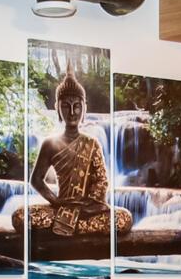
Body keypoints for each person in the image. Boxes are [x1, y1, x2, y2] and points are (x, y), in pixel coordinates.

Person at [13, 70, 133, 237]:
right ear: (57, 108)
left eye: (77, 106)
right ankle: (77, 226)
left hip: (88, 209)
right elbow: (36, 180)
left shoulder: (92, 143)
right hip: (62, 207)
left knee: (123, 219)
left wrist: (87, 205)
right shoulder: (50, 144)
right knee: (20, 217)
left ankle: (68, 226)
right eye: (66, 106)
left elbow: (101, 180)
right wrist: (56, 201)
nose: (72, 112)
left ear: (84, 108)